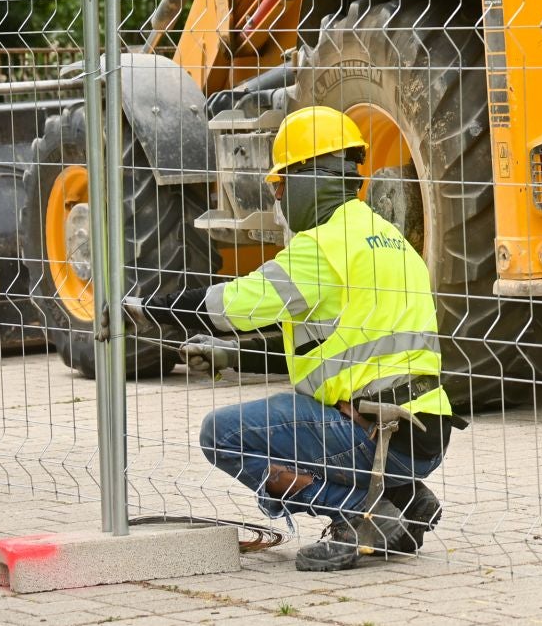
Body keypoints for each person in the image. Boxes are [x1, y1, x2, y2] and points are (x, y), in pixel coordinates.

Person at [135, 107, 460, 573]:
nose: (279, 197)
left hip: (371, 432)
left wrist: (157, 308)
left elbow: (236, 307)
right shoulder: (387, 237)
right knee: (288, 411)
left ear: (309, 178)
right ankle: (404, 499)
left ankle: (361, 516)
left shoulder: (321, 247)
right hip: (423, 433)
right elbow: (319, 340)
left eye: (281, 185)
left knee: (222, 435)